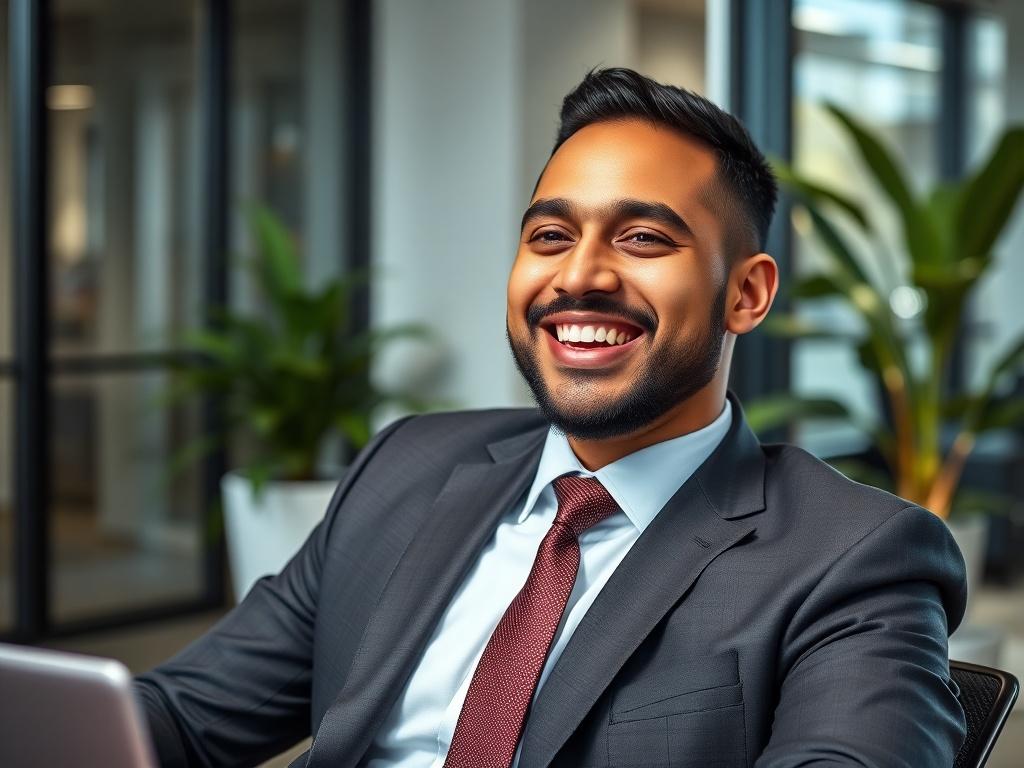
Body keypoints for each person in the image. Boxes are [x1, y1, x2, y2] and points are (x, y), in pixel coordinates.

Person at [135, 68, 967, 768]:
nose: (580, 276)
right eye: (549, 234)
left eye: (643, 238)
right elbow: (181, 717)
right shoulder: (406, 465)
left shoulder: (856, 558)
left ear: (745, 294)